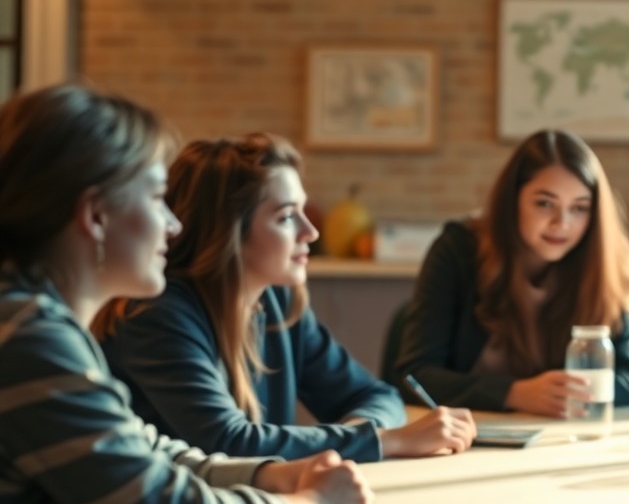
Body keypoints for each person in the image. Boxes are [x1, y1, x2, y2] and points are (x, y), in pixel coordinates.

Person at [0, 86, 378, 504]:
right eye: (157, 199)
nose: (174, 225)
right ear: (95, 216)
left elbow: (144, 450)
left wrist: (272, 475)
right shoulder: (28, 339)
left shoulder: (39, 325)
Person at [95, 134, 475, 462]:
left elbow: (374, 394)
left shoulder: (276, 301)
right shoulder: (156, 315)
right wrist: (381, 441)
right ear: (226, 232)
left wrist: (353, 437)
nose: (309, 232)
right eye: (286, 217)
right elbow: (227, 442)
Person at [396, 129, 629, 415]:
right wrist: (514, 393)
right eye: (544, 203)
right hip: (466, 436)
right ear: (511, 201)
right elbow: (414, 377)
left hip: (560, 438)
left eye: (579, 208)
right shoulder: (458, 250)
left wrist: (564, 393)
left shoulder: (605, 262)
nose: (562, 223)